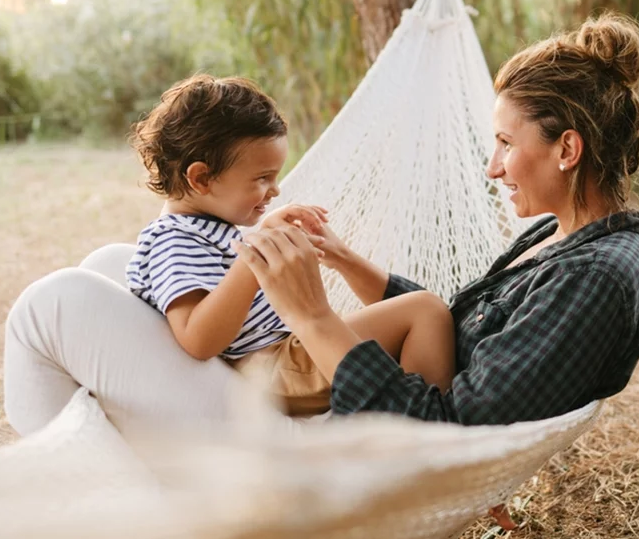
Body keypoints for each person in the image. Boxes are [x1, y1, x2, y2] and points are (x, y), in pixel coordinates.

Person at [3, 11, 639, 437]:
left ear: (567, 150)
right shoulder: (563, 243)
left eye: (506, 143)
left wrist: (313, 316)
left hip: (303, 425)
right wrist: (341, 259)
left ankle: (81, 479)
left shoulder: (595, 279)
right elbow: (454, 331)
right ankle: (98, 463)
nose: (493, 167)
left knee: (54, 301)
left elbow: (448, 425)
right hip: (268, 377)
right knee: (109, 267)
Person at [120, 74, 454, 417]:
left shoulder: (208, 229)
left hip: (290, 356)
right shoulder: (173, 240)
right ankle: (422, 435)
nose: (275, 190)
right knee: (424, 311)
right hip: (273, 368)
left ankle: (408, 426)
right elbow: (197, 338)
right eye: (262, 178)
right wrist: (255, 256)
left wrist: (264, 236)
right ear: (202, 178)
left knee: (417, 317)